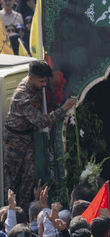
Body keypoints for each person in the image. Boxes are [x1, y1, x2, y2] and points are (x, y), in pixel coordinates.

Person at [4, 60, 76, 206]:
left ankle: (23, 210)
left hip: (28, 135)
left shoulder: (36, 85)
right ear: (31, 79)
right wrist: (64, 108)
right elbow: (41, 121)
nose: (44, 84)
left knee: (30, 176)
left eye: (46, 81)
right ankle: (9, 213)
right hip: (15, 139)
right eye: (41, 81)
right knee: (13, 179)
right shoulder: (22, 96)